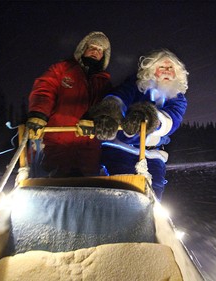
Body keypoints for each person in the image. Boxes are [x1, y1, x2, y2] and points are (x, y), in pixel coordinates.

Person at [90, 49, 188, 200]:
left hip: (153, 156)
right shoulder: (136, 86)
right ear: (151, 69)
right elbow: (118, 98)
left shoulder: (178, 99)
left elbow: (170, 121)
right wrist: (109, 113)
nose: (167, 71)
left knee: (152, 200)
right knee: (118, 195)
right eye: (162, 67)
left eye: (171, 68)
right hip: (120, 150)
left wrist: (147, 118)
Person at [26, 31, 112, 177]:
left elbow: (109, 106)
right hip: (56, 141)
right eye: (92, 47)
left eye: (100, 50)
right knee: (49, 185)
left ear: (104, 56)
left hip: (89, 147)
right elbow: (44, 89)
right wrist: (38, 113)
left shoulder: (105, 82)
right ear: (83, 49)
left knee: (87, 187)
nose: (95, 52)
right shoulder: (62, 69)